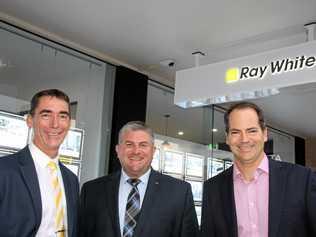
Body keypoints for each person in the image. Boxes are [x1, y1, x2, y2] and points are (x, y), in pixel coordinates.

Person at [200, 101, 316, 237]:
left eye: (252, 131)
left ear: (265, 134)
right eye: (236, 132)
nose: (244, 139)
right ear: (227, 138)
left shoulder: (302, 179)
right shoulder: (213, 188)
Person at [79, 121, 199, 237]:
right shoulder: (91, 191)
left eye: (143, 145)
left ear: (153, 151)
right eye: (129, 144)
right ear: (117, 150)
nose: (136, 151)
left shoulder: (179, 193)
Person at [0, 89, 79, 237]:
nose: (55, 124)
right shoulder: (4, 170)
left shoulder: (71, 180)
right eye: (46, 115)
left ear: (68, 123)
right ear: (30, 120)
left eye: (62, 116)